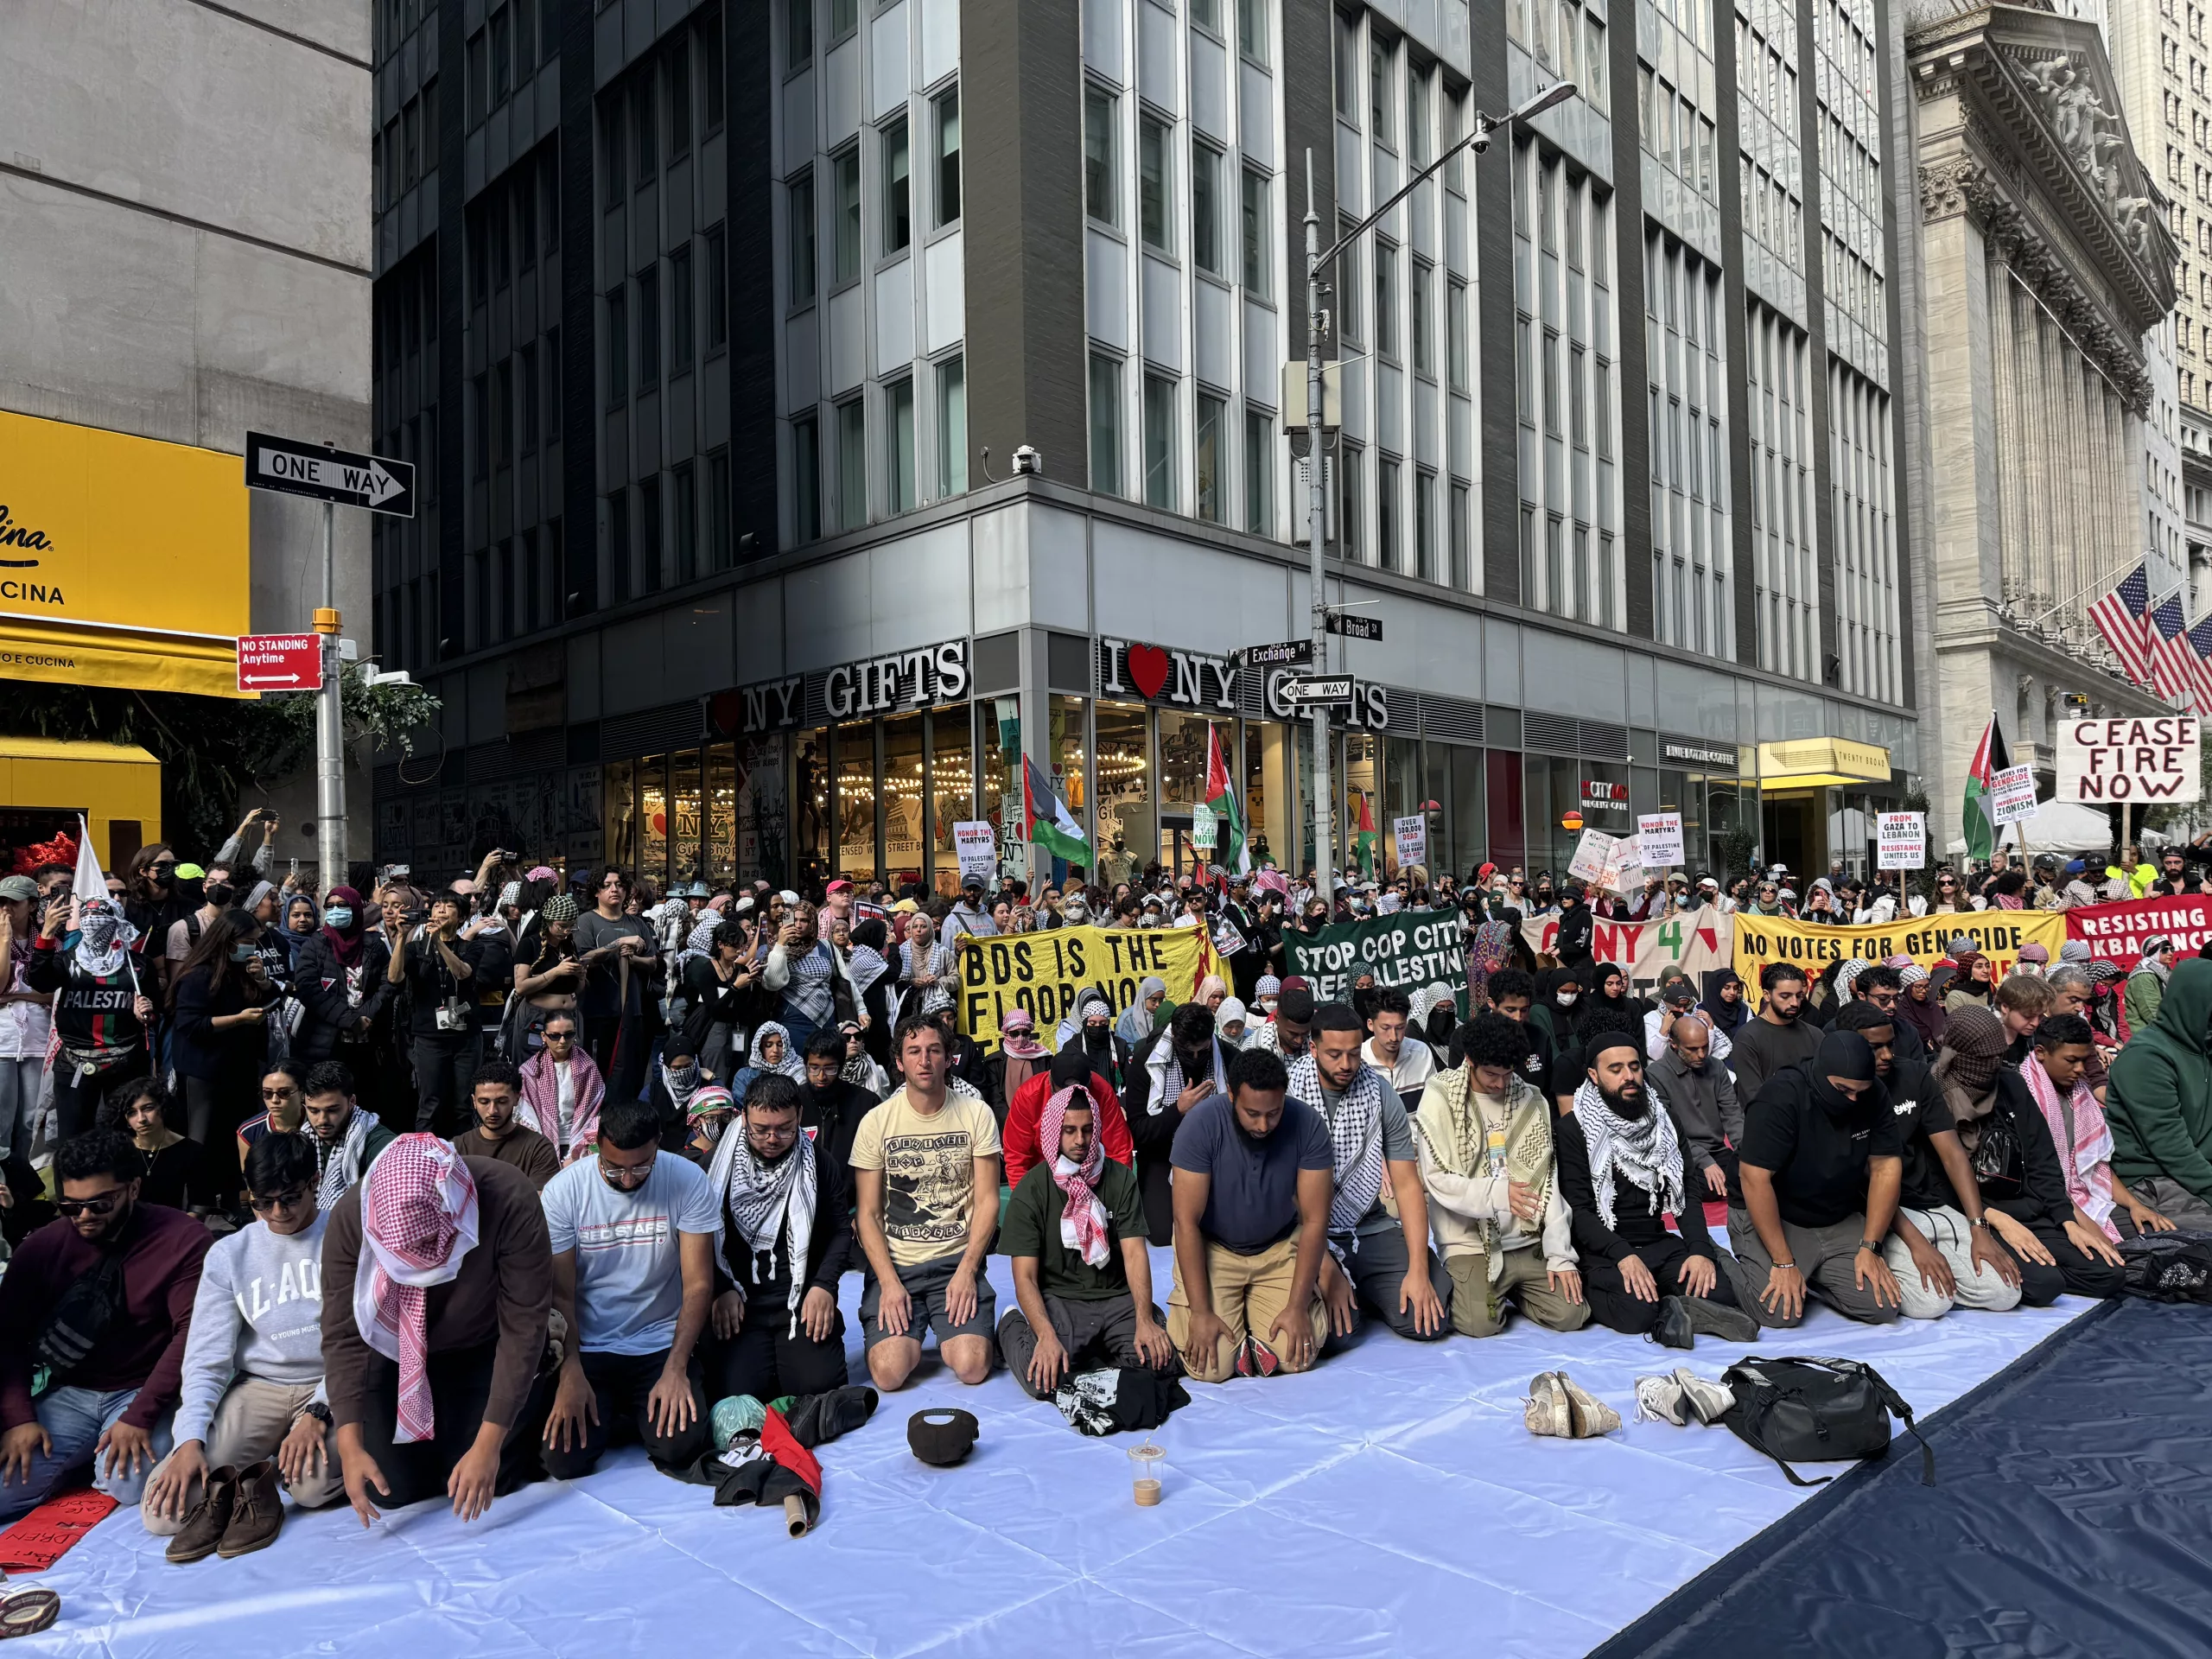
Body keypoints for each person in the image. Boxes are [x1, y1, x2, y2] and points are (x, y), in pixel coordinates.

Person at [320, 1134, 551, 1525]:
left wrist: (489, 1442)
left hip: (481, 1344)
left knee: (493, 1475)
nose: (418, 1260)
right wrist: (349, 1443)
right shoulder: (351, 1215)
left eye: (428, 1242)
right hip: (395, 1350)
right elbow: (343, 1335)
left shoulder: (509, 1196)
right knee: (390, 1487)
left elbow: (524, 1322)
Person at [142, 1132, 343, 1552]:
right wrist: (189, 1440)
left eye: (290, 1198)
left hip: (334, 1381)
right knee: (164, 1514)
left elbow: (360, 1340)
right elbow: (206, 1356)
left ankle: (264, 1481)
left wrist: (318, 1412)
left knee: (310, 1488)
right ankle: (259, 1482)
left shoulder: (344, 1236)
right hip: (261, 1385)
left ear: (315, 1182)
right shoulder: (229, 1253)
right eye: (261, 1202)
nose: (276, 1213)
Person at [0, 1129, 212, 1522]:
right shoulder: (41, 1248)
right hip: (71, 1391)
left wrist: (141, 1414)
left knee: (129, 1484)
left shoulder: (182, 1238)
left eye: (100, 1204)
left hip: (144, 1386)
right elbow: (8, 1336)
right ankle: (79, 1460)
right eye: (70, 1206)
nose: (84, 1216)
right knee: (5, 1488)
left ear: (133, 1188)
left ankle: (91, 1458)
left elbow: (192, 1334)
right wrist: (19, 1418)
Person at [539, 1099, 715, 1480]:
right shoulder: (564, 1191)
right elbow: (561, 1295)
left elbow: (698, 1284)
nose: (630, 1180)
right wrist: (569, 1371)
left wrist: (677, 1367)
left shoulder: (687, 1179)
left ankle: (630, 1410)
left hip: (659, 1343)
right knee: (562, 1460)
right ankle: (621, 1412)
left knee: (680, 1448)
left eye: (641, 1167)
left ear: (658, 1144)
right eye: (615, 1168)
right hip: (589, 1346)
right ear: (598, 1146)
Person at [1555, 1032, 1757, 1344]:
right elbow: (1578, 1211)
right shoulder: (1574, 1128)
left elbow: (1687, 1192)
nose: (1628, 1076)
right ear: (1594, 1076)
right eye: (1616, 1069)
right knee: (1636, 1314)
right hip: (1604, 1250)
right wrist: (1622, 1255)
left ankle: (1676, 1304)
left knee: (1719, 1291)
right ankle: (1670, 1306)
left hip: (1656, 1241)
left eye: (1634, 1067)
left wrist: (1699, 1250)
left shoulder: (1664, 1120)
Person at [1916, 1006, 2126, 1305]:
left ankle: (2041, 1263)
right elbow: (1935, 1181)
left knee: (2109, 1273)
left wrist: (2067, 1221)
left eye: (1998, 1056)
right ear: (1960, 1054)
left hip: (2026, 1206)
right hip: (1973, 1214)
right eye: (1984, 1058)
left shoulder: (2010, 1084)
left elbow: (2043, 1161)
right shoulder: (1933, 1093)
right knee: (2043, 1285)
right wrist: (1995, 1220)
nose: (1992, 1065)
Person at [849, 1017, 1002, 1391]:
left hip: (955, 1261)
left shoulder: (976, 1113)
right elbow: (867, 1214)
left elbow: (988, 1201)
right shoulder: (876, 1122)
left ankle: (1004, 1322)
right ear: (899, 1061)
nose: (924, 1060)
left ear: (949, 1058)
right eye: (914, 1051)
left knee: (971, 1367)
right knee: (889, 1374)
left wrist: (968, 1270)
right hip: (898, 1265)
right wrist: (888, 1282)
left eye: (934, 1051)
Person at [1411, 1014, 1588, 1338]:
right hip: (1469, 1243)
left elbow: (1548, 1181)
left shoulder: (1531, 1098)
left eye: (1508, 1074)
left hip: (1526, 1238)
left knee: (1571, 1314)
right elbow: (1438, 1180)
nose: (1500, 1084)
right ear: (1470, 1060)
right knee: (1480, 1325)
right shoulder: (1440, 1096)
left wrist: (1560, 1253)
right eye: (1491, 1074)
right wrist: (1498, 1194)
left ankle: (1516, 1289)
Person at [1166, 1048, 1334, 1381]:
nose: (1263, 1125)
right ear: (1231, 1095)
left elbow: (1315, 1221)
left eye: (1274, 1113)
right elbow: (1186, 1223)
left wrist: (1297, 1306)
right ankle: (1235, 1326)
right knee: (1211, 1367)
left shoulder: (1309, 1124)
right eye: (1252, 1113)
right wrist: (1201, 1312)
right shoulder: (1200, 1125)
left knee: (1296, 1356)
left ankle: (1253, 1329)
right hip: (1214, 1249)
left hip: (1279, 1248)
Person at [999, 1084, 1176, 1397]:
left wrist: (1145, 1320)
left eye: (1087, 1129)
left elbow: (1135, 1255)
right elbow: (1025, 1277)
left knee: (1160, 1364)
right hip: (1061, 1299)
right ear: (1054, 1131)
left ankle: (1114, 1337)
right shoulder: (1032, 1188)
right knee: (1043, 1379)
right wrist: (1046, 1336)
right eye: (1069, 1131)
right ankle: (1011, 1324)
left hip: (1117, 1296)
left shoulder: (1120, 1178)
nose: (1080, 1140)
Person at [1293, 1004, 1450, 1344]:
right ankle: (1355, 1287)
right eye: (1334, 1055)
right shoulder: (1290, 1094)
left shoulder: (1379, 1092)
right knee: (1333, 1336)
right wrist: (1324, 1267)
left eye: (1353, 1053)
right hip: (1306, 1232)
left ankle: (1366, 1287)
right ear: (1313, 1048)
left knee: (1428, 1321)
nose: (1346, 1064)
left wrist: (1418, 1270)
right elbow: (1284, 1196)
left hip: (1370, 1224)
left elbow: (1406, 1185)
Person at [1728, 1031, 1907, 1328]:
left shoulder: (1873, 1093)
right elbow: (1753, 1179)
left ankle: (1813, 1272)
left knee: (1882, 1307)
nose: (1853, 1099)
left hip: (1834, 1214)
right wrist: (1783, 1261)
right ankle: (1716, 1258)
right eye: (1843, 1090)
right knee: (1779, 1312)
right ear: (1822, 1075)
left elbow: (1886, 1168)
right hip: (1778, 1213)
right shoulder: (1781, 1095)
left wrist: (1871, 1246)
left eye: (1860, 1092)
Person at [706, 1074, 852, 1402]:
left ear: (799, 1116)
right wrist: (720, 1288)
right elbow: (696, 1239)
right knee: (736, 1395)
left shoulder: (819, 1163)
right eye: (760, 1130)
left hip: (799, 1299)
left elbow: (841, 1231)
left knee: (818, 1387)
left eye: (785, 1129)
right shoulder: (715, 1168)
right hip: (741, 1303)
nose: (772, 1139)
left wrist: (824, 1286)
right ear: (744, 1117)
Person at [2025, 1013, 2174, 1242]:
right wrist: (2098, 1236)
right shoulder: (2023, 1097)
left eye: (2083, 1061)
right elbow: (2040, 1182)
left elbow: (2097, 1167)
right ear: (2041, 1053)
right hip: (2047, 1209)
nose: (2079, 1069)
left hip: (2085, 1196)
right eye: (2071, 1060)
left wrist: (2135, 1205)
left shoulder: (2078, 1095)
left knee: (2160, 1233)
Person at [27, 894, 156, 1143]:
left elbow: (155, 1011)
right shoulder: (68, 959)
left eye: (99, 915)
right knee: (74, 1139)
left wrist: (146, 1014)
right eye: (85, 915)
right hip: (75, 1061)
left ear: (116, 921)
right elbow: (40, 982)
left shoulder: (137, 964)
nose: (91, 921)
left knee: (126, 1136)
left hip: (126, 1062)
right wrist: (47, 934)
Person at [2107, 956, 2212, 1229]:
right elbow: (2171, 1147)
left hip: (2195, 1169)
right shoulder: (2146, 1057)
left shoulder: (2201, 1047)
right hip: (2154, 1179)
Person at [1127, 1002, 1233, 1246]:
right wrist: (1178, 1110)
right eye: (1188, 1052)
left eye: (1202, 1051)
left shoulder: (1227, 1057)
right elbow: (1139, 1131)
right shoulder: (1146, 1061)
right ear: (1174, 1038)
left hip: (1216, 1154)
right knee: (1163, 1233)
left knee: (1224, 1224)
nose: (1195, 1058)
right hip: (1163, 1154)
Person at [387, 889, 482, 1135]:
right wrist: (401, 937)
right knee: (429, 1103)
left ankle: (463, 1152)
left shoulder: (471, 946)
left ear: (461, 917)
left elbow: (462, 973)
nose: (441, 909)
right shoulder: (415, 949)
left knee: (464, 1104)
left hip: (466, 1038)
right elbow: (394, 977)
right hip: (429, 1037)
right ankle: (424, 1151)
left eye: (449, 906)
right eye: (437, 905)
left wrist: (438, 942)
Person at [289, 887, 393, 1081]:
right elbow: (307, 988)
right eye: (330, 906)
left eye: (342, 905)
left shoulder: (375, 945)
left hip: (369, 1039)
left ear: (356, 908)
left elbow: (387, 984)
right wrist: (349, 1020)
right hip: (325, 1041)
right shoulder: (315, 945)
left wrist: (365, 1016)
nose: (336, 910)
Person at [574, 868, 658, 1105]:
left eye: (620, 885)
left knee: (630, 1075)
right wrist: (618, 943)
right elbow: (583, 959)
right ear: (596, 892)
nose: (614, 889)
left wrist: (633, 958)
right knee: (599, 1074)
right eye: (607, 885)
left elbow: (652, 962)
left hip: (632, 1011)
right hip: (597, 1011)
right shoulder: (586, 921)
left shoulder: (637, 923)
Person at [1004, 1040, 1135, 1191]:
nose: (1069, 1098)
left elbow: (1119, 1151)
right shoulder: (1028, 1096)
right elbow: (1016, 1157)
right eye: (1064, 1093)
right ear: (1051, 1082)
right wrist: (1025, 1199)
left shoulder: (1102, 1092)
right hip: (1043, 1181)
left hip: (1092, 1177)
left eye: (1078, 1093)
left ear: (1089, 1083)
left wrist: (1116, 1194)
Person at [1648, 1012, 1742, 1201]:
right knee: (1711, 1188)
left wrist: (1747, 1153)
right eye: (1692, 1049)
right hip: (1680, 1153)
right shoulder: (1655, 1074)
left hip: (1717, 1151)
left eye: (1705, 1047)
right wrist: (1704, 1161)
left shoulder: (1716, 1067)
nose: (1701, 1054)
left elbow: (1732, 1114)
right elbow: (1667, 1132)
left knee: (1752, 1176)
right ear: (1673, 1044)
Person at [97, 1077, 213, 1216]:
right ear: (126, 1119)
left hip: (173, 1224)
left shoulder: (191, 1150)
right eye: (132, 1113)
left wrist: (181, 1228)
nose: (141, 1119)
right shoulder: (117, 1151)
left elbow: (199, 1204)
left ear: (163, 1108)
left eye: (148, 1108)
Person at [0, 874, 53, 1170]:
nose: (6, 908)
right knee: (2, 1119)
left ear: (32, 905)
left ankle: (24, 1181)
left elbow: (55, 993)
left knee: (31, 1119)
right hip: (3, 1038)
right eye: (1, 902)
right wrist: (5, 939)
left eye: (14, 902)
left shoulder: (48, 938)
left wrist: (19, 995)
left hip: (38, 1037)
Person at [763, 900, 855, 1057]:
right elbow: (773, 983)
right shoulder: (778, 947)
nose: (798, 925)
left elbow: (847, 981)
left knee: (827, 1064)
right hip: (793, 1021)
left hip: (827, 1021)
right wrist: (781, 945)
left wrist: (861, 1011)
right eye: (795, 920)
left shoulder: (826, 946)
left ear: (812, 922)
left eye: (804, 920)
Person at [451, 1062, 561, 1190]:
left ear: (517, 1099)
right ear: (474, 1101)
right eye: (484, 1102)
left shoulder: (539, 1148)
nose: (492, 1111)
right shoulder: (457, 1148)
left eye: (502, 1102)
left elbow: (539, 1199)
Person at [301, 1062, 397, 1205]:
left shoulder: (381, 1146)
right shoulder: (303, 1139)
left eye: (332, 1110)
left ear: (352, 1101)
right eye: (314, 1111)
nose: (322, 1120)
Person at [517, 1013, 606, 1166]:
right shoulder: (529, 1071)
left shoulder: (588, 1068)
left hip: (580, 1139)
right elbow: (526, 1115)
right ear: (544, 1036)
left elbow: (592, 1113)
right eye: (555, 1036)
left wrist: (578, 1151)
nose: (562, 1041)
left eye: (568, 1035)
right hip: (540, 1142)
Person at [1727, 964, 1823, 1103]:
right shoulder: (1748, 1037)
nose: (1794, 1003)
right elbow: (1753, 1095)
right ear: (1767, 995)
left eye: (1799, 996)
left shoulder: (1815, 1035)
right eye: (1785, 996)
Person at [797, 1026, 874, 1176]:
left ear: (840, 1067)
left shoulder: (866, 1103)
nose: (821, 1077)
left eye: (829, 1068)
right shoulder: (793, 1102)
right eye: (814, 1068)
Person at [1485, 968, 1556, 1094]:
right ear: (1491, 1003)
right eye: (1510, 1010)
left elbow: (1548, 1089)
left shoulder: (1540, 1037)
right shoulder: (1470, 1038)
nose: (1518, 1017)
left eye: (1524, 1010)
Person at [1362, 988, 1436, 1098]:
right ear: (1370, 1025)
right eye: (1385, 1028)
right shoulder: (1359, 1060)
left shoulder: (1422, 1054)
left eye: (1400, 1027)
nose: (1393, 1037)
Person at [983, 1008, 1051, 1128]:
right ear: (1006, 1033)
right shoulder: (994, 1062)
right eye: (1015, 1034)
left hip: (1040, 1123)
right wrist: (1014, 1122)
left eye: (1025, 1033)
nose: (1020, 1038)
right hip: (1008, 1124)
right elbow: (995, 1100)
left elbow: (1048, 1094)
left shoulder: (1044, 1058)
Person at [1643, 975, 1732, 1065]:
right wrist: (1664, 1029)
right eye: (1678, 1006)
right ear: (1666, 1004)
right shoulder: (1650, 1019)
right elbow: (1656, 1056)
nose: (1682, 1010)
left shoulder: (1688, 1018)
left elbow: (1703, 1054)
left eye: (1685, 1007)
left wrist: (1710, 1027)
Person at [1243, 980, 1315, 1058]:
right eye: (1293, 1033)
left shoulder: (1316, 1037)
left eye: (1305, 1033)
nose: (1299, 1040)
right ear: (1276, 1018)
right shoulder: (1258, 1049)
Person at [2125, 939, 2172, 1033]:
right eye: (2165, 950)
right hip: (2146, 1032)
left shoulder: (2165, 972)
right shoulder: (2143, 976)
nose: (2170, 953)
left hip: (2162, 1028)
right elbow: (2151, 1013)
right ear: (2153, 952)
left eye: (2172, 949)